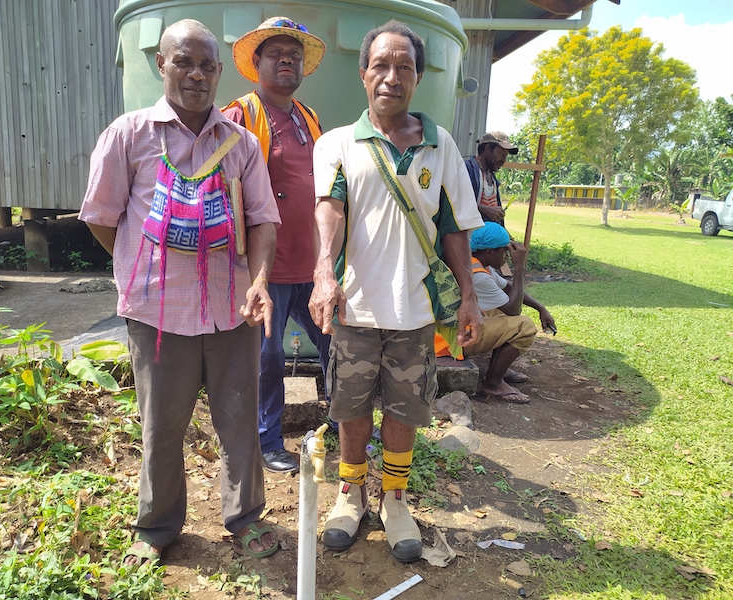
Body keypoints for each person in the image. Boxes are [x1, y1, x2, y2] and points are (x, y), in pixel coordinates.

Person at [79, 19, 282, 565]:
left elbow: (263, 219)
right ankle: (159, 526)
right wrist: (142, 266)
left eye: (207, 65)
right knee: (161, 424)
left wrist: (259, 280)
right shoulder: (129, 135)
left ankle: (244, 518)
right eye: (183, 62)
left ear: (218, 72)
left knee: (239, 420)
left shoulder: (240, 143)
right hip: (157, 311)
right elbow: (103, 219)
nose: (196, 74)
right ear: (160, 65)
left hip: (231, 308)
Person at [309, 20, 484, 563]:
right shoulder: (338, 142)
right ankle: (349, 494)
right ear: (364, 74)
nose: (391, 76)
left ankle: (396, 499)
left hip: (416, 311)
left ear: (419, 76)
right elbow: (330, 209)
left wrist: (470, 295)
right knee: (351, 405)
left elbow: (455, 226)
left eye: (403, 66)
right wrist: (323, 271)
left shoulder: (441, 144)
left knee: (405, 410)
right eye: (380, 65)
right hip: (355, 309)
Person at [223, 17, 330, 474]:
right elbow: (221, 193)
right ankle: (266, 438)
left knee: (337, 346)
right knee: (266, 358)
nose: (287, 61)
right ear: (257, 62)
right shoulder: (239, 116)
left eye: (295, 55)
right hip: (262, 267)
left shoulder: (309, 118)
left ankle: (346, 425)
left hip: (311, 265)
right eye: (276, 54)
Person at [435, 222, 556, 404]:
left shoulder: (475, 264)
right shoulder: (479, 277)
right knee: (524, 326)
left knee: (498, 309)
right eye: (504, 251)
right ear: (490, 252)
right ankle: (493, 382)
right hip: (450, 343)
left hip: (447, 333)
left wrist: (541, 308)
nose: (507, 257)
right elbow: (514, 309)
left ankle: (500, 366)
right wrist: (520, 268)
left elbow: (508, 287)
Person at [464, 131, 518, 223]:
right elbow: (456, 201)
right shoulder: (467, 169)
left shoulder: (492, 179)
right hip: (468, 236)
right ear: (488, 148)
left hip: (486, 236)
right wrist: (485, 209)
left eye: (506, 156)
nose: (503, 160)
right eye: (502, 154)